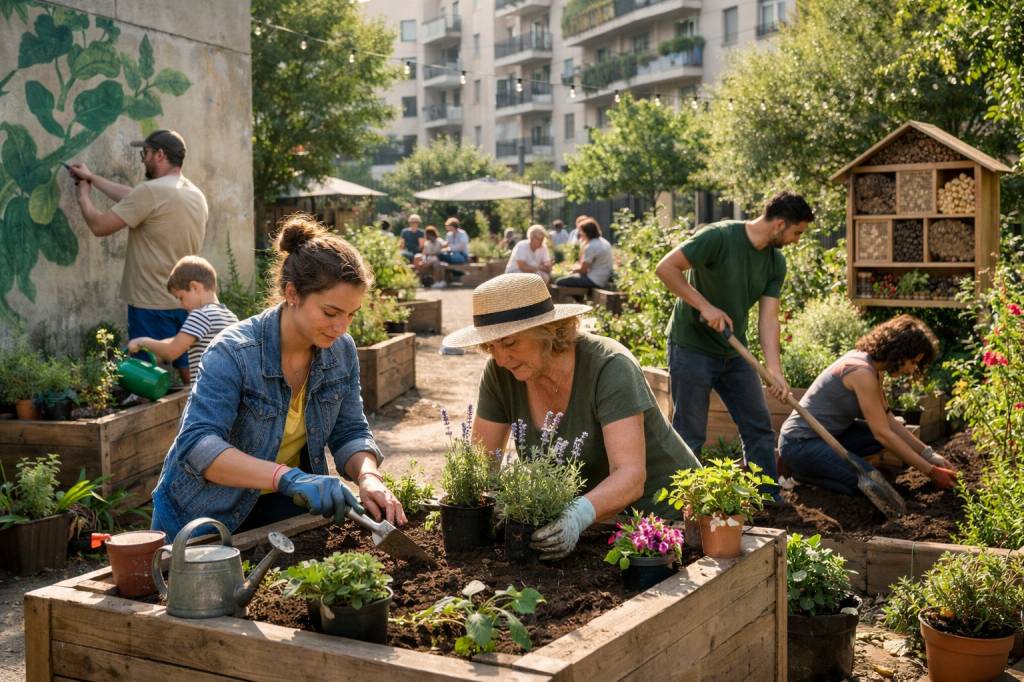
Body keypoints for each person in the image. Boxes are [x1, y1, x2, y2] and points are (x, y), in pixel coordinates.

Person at [150, 214, 406, 538]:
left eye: (351, 315)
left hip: (281, 510)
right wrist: (289, 478)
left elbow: (350, 431)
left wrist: (369, 476)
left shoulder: (340, 351)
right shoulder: (233, 352)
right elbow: (199, 447)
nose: (341, 327)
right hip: (203, 517)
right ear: (292, 293)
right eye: (330, 312)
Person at [443, 274, 701, 561]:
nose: (501, 358)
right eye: (491, 346)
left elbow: (630, 475)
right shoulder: (500, 374)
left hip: (666, 518)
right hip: (599, 524)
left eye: (510, 342)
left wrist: (577, 516)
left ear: (548, 330)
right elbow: (482, 464)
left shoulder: (610, 367)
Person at [654, 191, 814, 502]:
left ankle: (766, 498)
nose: (797, 240)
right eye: (797, 232)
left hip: (733, 351)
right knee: (691, 432)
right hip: (692, 347)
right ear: (780, 224)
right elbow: (666, 268)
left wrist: (774, 371)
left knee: (758, 427)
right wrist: (705, 307)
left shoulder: (774, 262)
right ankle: (688, 504)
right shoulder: (719, 237)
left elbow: (768, 319)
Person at [70, 129, 208, 383]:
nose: (142, 159)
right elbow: (135, 198)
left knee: (143, 381)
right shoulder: (193, 194)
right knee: (191, 379)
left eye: (145, 153)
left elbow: (100, 226)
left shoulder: (151, 193)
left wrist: (83, 196)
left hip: (149, 303)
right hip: (185, 303)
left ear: (160, 155)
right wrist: (93, 178)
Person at [778, 315, 957, 495]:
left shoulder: (875, 370)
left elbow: (890, 422)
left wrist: (929, 456)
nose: (911, 370)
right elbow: (883, 434)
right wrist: (931, 472)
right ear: (899, 352)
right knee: (871, 485)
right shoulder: (861, 372)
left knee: (882, 440)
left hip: (828, 436)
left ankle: (824, 467)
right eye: (913, 362)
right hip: (799, 444)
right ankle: (803, 476)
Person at [127, 256, 238, 383]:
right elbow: (179, 340)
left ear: (194, 287)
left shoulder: (200, 315)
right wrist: (155, 345)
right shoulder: (230, 316)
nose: (181, 305)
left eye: (180, 298)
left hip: (208, 393)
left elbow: (171, 351)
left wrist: (143, 341)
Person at [554, 217, 614, 290]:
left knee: (559, 281)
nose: (579, 234)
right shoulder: (604, 241)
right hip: (602, 278)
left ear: (586, 232)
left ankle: (577, 300)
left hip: (594, 280)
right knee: (571, 278)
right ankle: (578, 299)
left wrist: (571, 270)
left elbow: (583, 270)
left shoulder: (591, 246)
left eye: (581, 231)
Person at [432, 217, 470, 289]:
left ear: (453, 226)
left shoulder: (463, 234)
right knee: (440, 257)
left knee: (443, 256)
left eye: (448, 226)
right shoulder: (449, 235)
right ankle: (441, 281)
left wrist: (448, 249)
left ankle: (458, 273)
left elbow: (460, 247)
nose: (447, 227)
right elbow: (446, 245)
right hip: (451, 254)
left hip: (462, 255)